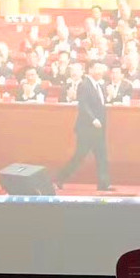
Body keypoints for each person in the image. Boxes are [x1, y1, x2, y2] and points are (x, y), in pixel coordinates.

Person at [55, 62, 111, 191]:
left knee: (102, 156)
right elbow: (83, 105)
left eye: (101, 68)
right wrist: (93, 119)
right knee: (79, 156)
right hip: (87, 128)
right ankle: (60, 178)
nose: (100, 71)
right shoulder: (84, 84)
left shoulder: (99, 85)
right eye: (97, 68)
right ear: (90, 70)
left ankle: (104, 184)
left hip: (99, 128)